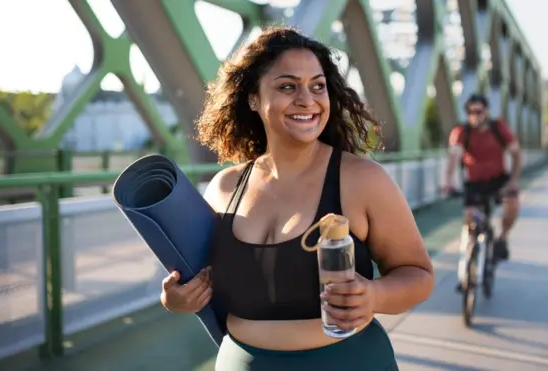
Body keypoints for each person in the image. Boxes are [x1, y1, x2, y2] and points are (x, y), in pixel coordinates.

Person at [159, 27, 434, 370]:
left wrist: (374, 295)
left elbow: (418, 274)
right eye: (288, 86)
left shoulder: (362, 180)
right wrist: (177, 299)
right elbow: (202, 281)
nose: (307, 99)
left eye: (317, 86)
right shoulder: (224, 188)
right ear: (253, 99)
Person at [442, 93, 521, 292]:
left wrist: (513, 181)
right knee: (470, 220)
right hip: (474, 182)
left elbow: (516, 153)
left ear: (486, 111)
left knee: (512, 205)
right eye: (470, 112)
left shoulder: (498, 128)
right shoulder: (462, 132)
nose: (474, 116)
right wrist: (448, 182)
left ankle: (502, 238)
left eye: (478, 111)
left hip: (498, 179)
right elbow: (453, 158)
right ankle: (465, 271)